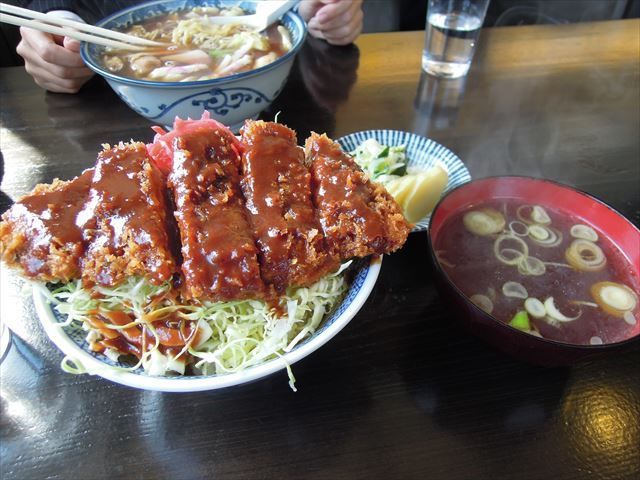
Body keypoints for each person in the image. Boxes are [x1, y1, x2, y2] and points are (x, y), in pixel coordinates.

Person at [16, 0, 364, 94]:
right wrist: (56, 29)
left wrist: (316, 12)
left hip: (286, 117)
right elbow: (55, 7)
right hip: (123, 129)